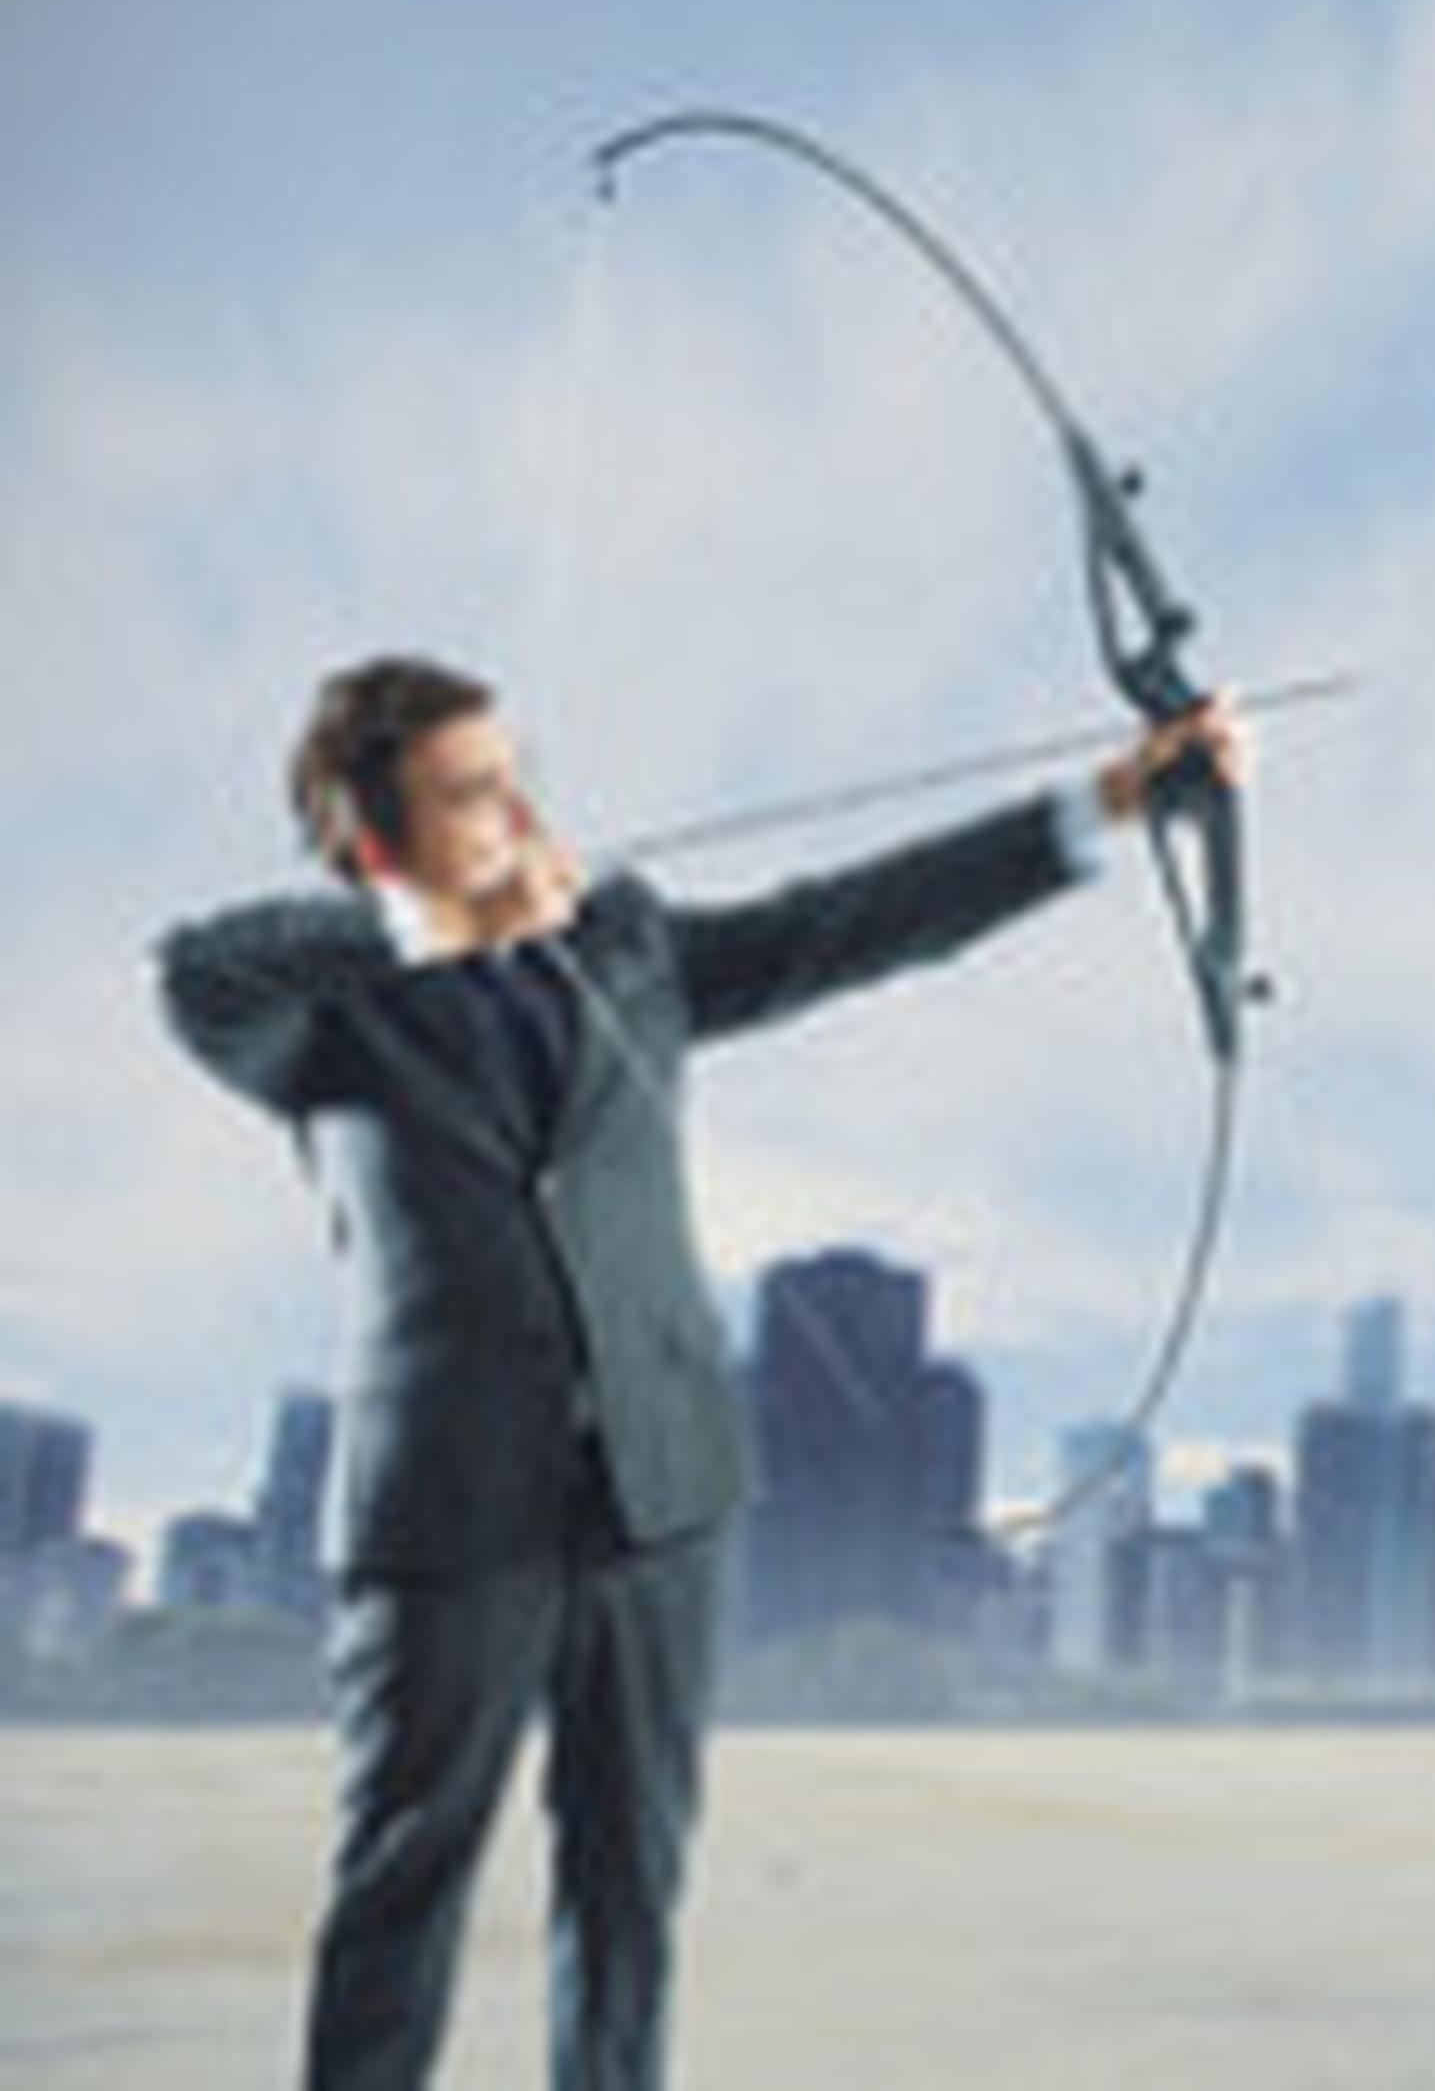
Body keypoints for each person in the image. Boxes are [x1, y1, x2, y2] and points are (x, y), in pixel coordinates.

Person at [153, 653, 1244, 2091]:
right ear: (374, 839)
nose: (518, 808)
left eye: (512, 772)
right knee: (400, 1886)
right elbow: (194, 967)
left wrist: (1105, 805)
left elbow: (855, 922)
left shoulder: (630, 947)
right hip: (450, 1508)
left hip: (660, 1494)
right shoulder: (317, 1020)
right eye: (470, 793)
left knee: (627, 1893)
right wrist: (432, 923)